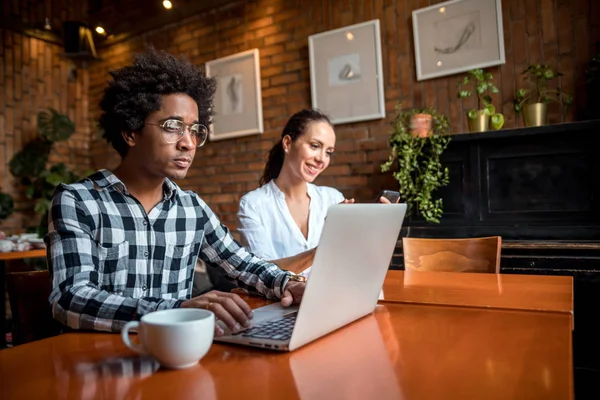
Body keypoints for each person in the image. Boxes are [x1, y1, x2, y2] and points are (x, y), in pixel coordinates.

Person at [45, 48, 305, 337]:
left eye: (195, 130)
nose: (188, 143)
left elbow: (242, 264)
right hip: (102, 363)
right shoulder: (78, 201)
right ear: (131, 132)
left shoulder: (191, 207)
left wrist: (288, 284)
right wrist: (177, 310)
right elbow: (70, 299)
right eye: (173, 126)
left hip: (180, 357)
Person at [237, 109, 395, 277]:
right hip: (279, 301)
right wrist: (324, 248)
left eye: (328, 152)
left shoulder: (332, 199)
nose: (321, 159)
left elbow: (351, 265)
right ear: (288, 143)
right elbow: (260, 273)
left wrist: (373, 235)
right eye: (314, 146)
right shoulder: (253, 205)